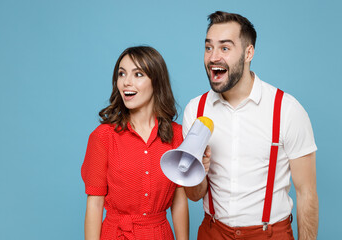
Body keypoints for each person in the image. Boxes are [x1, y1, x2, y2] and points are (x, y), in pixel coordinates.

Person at [183, 11, 318, 240]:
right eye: (208, 48)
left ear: (248, 52)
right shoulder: (196, 111)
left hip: (271, 234)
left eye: (225, 48)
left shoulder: (286, 109)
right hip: (213, 232)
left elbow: (307, 194)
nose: (213, 56)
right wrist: (198, 171)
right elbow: (195, 195)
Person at [81, 46, 189, 240]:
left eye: (138, 74)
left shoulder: (177, 135)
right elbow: (94, 205)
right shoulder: (103, 137)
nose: (126, 82)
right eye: (121, 74)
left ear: (156, 82)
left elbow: (179, 201)